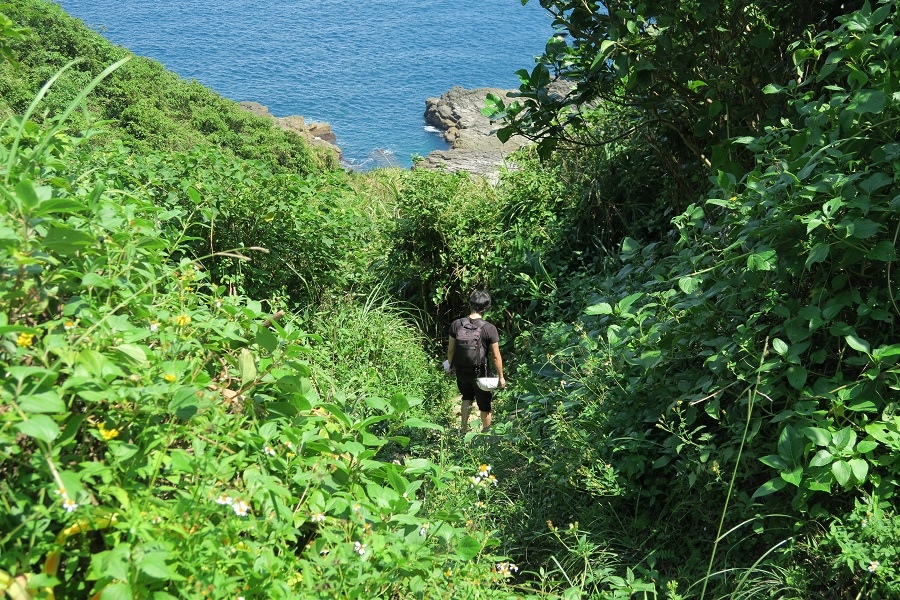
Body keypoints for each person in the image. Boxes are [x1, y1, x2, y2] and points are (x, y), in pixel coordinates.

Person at [447, 290, 506, 434]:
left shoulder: (456, 324)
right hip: (481, 372)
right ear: (486, 307)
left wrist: (450, 366)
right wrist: (501, 377)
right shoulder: (489, 328)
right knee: (484, 405)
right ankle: (486, 434)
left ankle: (463, 429)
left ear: (470, 304)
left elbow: (451, 350)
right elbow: (496, 356)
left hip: (462, 370)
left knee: (466, 397)